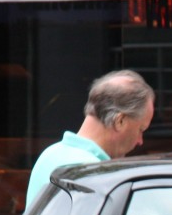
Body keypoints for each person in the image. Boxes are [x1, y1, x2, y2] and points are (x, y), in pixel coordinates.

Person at [24, 69, 155, 207]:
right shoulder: (93, 174)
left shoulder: (49, 154)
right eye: (141, 129)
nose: (140, 141)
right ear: (120, 121)